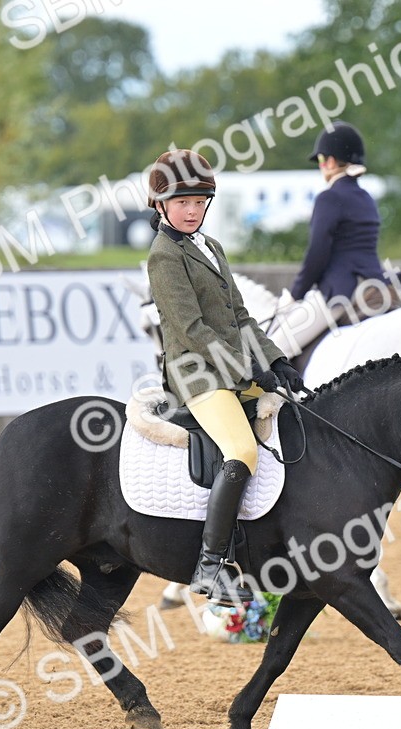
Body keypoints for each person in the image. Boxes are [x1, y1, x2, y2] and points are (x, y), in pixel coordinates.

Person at [144, 149, 305, 605]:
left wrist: (275, 360)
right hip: (197, 375)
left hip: (232, 367)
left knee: (297, 416)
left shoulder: (211, 247)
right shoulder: (164, 257)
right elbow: (191, 329)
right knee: (241, 449)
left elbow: (241, 317)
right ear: (161, 205)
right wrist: (248, 368)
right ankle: (210, 566)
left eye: (199, 202)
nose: (192, 211)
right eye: (182, 203)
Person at [268, 121, 395, 359]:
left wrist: (295, 294)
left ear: (331, 161)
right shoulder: (366, 198)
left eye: (320, 160)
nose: (320, 166)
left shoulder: (329, 197)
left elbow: (318, 253)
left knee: (272, 351)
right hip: (374, 286)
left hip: (339, 292)